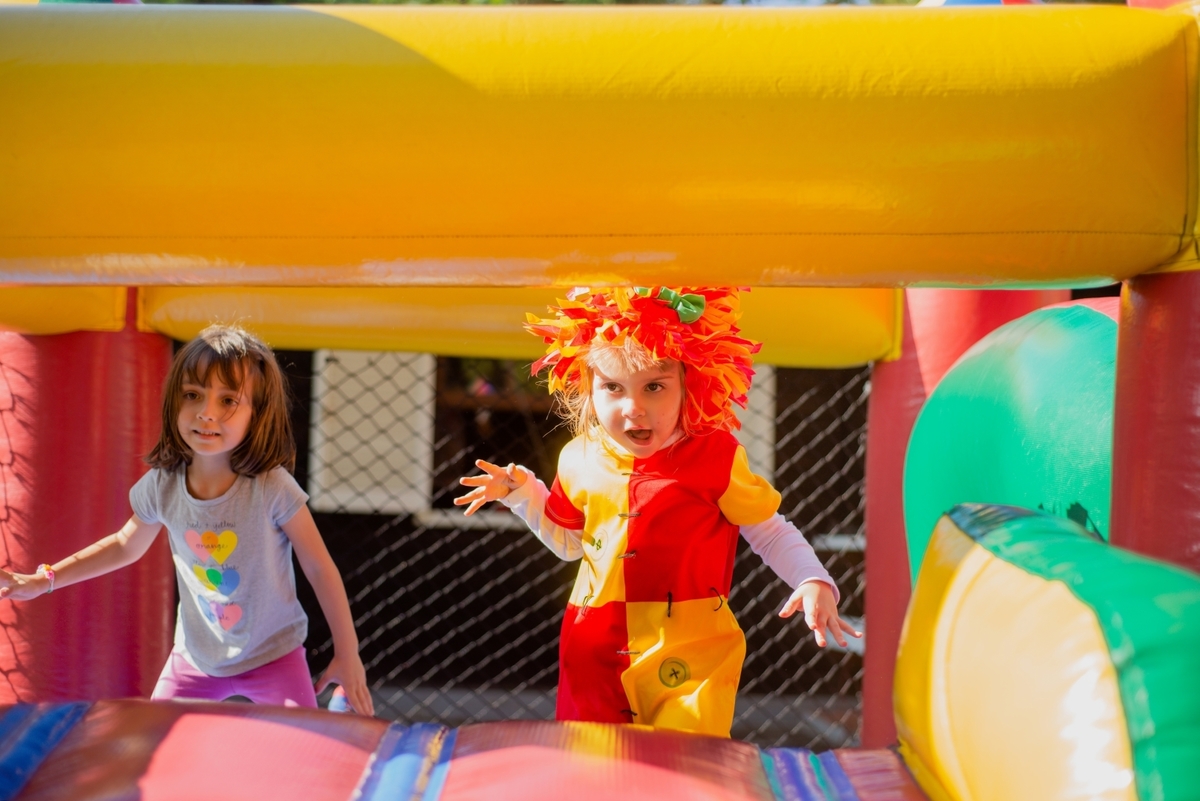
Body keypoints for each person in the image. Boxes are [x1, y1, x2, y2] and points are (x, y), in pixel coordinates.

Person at [456, 287, 860, 737]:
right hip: (594, 649)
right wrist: (521, 492)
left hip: (690, 651)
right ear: (588, 389)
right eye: (612, 387)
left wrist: (811, 578)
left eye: (654, 386)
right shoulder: (579, 457)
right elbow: (571, 543)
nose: (634, 407)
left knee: (684, 766)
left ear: (690, 384)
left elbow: (766, 530)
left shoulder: (714, 456)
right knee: (597, 770)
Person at [0, 324, 373, 715]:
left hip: (272, 655)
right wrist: (44, 580)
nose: (207, 413)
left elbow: (319, 566)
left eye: (228, 400)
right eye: (193, 395)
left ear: (256, 414)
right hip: (195, 660)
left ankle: (338, 707)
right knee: (152, 744)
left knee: (306, 747)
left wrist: (348, 654)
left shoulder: (270, 487)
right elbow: (126, 544)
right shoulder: (163, 486)